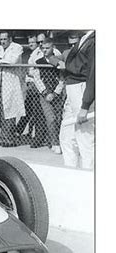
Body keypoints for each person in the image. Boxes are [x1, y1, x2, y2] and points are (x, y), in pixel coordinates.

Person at [59, 30, 95, 169]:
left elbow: (94, 75)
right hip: (72, 90)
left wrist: (85, 105)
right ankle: (70, 174)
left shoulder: (94, 41)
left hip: (82, 90)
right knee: (67, 137)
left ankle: (88, 179)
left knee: (85, 138)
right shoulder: (84, 38)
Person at [0, 31, 25, 147]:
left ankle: (10, 139)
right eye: (1, 39)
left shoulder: (17, 47)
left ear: (10, 39)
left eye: (5, 39)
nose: (2, 41)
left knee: (10, 111)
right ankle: (4, 138)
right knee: (1, 111)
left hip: (11, 83)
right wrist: (0, 59)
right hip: (0, 83)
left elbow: (12, 61)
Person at [30, 38, 65, 154]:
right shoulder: (39, 62)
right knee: (51, 118)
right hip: (45, 94)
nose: (45, 50)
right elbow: (37, 79)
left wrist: (56, 93)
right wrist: (45, 93)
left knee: (59, 118)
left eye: (47, 48)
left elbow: (62, 78)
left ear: (53, 47)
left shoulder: (59, 60)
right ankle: (55, 143)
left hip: (57, 93)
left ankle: (60, 141)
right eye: (43, 48)